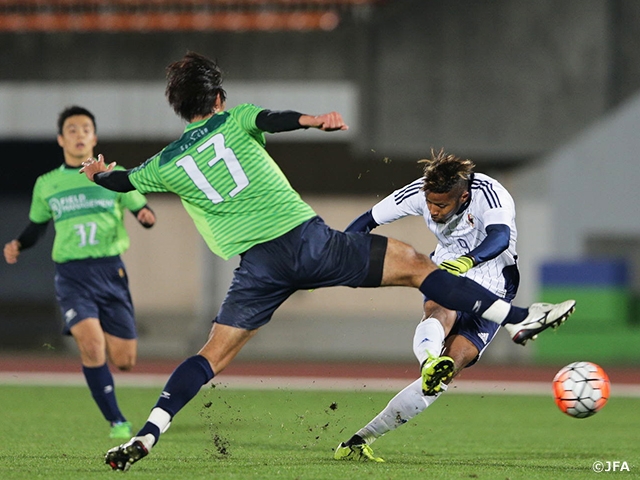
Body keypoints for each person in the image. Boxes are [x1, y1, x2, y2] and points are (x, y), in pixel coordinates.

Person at [79, 51, 574, 471]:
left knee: (210, 354)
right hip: (309, 242)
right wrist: (314, 121)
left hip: (259, 268)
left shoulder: (164, 164)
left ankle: (148, 432)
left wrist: (100, 174)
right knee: (422, 269)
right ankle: (520, 316)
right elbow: (272, 119)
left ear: (177, 106)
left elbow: (123, 181)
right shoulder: (234, 118)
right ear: (217, 99)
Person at [334, 150, 529, 462]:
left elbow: (500, 237)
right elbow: (368, 220)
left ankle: (360, 439)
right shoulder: (419, 192)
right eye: (429, 203)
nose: (433, 211)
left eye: (441, 205)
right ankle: (428, 361)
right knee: (438, 310)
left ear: (463, 197)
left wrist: (469, 261)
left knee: (453, 365)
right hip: (447, 269)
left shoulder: (491, 195)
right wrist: (339, 251)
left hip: (495, 285)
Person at [4, 106, 156, 439]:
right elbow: (37, 226)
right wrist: (19, 243)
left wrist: (145, 215)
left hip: (111, 271)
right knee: (91, 345)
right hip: (73, 275)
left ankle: (103, 332)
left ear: (94, 137)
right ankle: (117, 421)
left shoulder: (115, 175)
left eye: (85, 128)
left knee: (126, 360)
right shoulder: (48, 184)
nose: (79, 134)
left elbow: (141, 206)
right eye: (71, 129)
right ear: (61, 139)